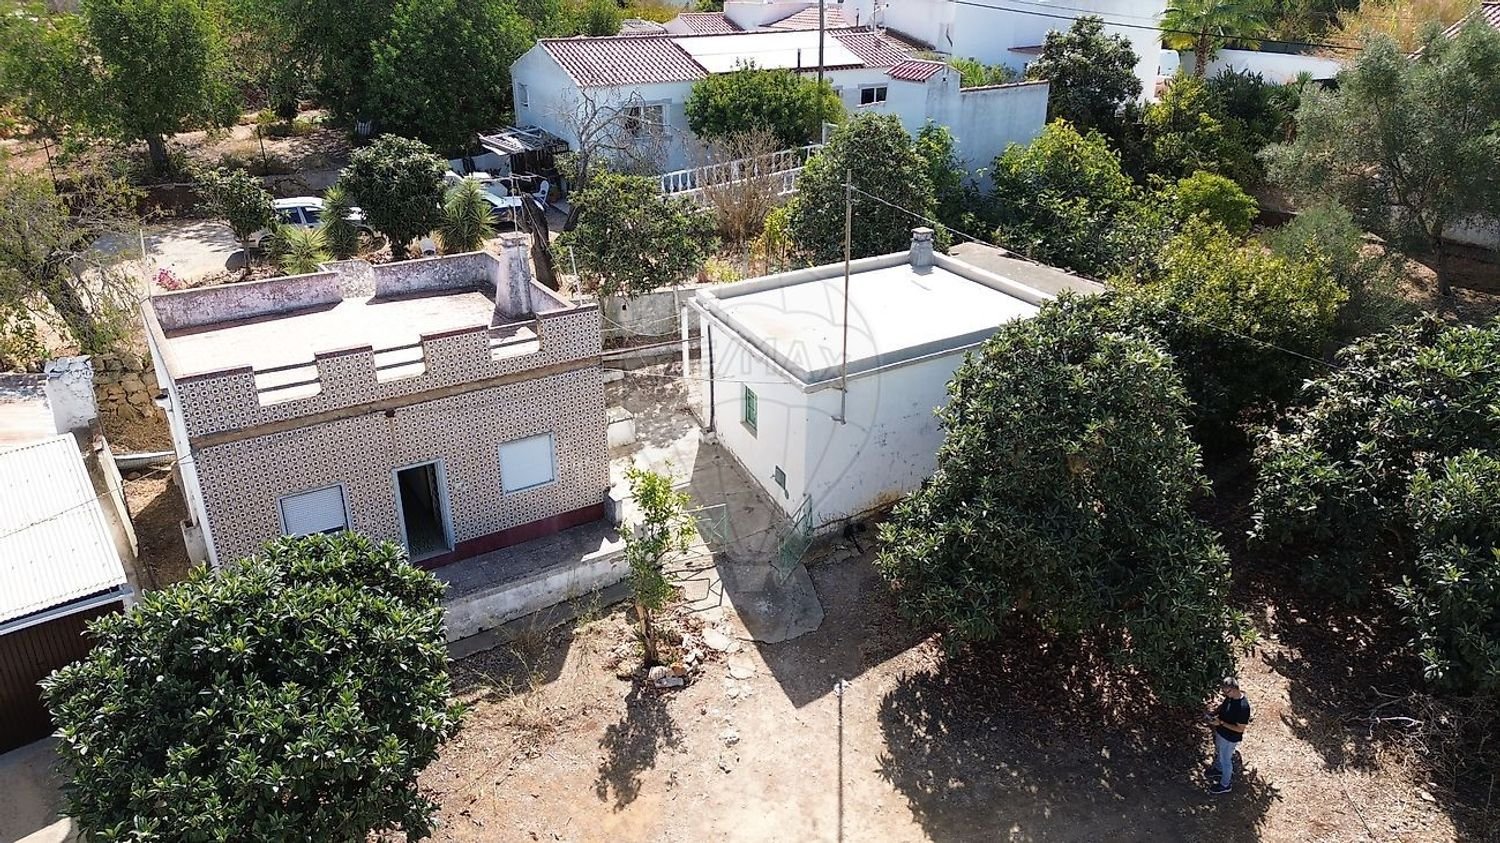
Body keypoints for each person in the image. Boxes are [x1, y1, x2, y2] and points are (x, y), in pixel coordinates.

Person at [1204, 676, 1251, 794]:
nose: (1225, 694)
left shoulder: (1243, 707)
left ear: (1235, 689)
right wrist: (1214, 713)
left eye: (1227, 691)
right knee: (1219, 752)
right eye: (1224, 691)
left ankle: (1225, 784)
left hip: (1230, 738)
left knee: (1226, 760)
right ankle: (1218, 770)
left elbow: (1240, 729)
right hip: (1221, 732)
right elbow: (1223, 706)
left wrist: (1221, 723)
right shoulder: (1230, 697)